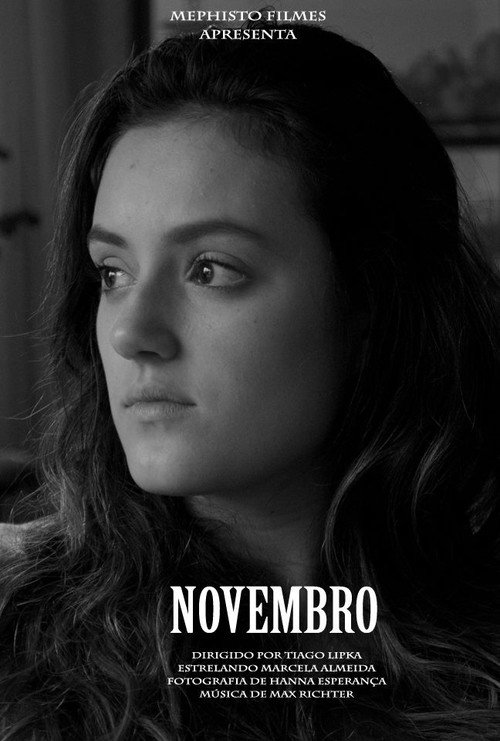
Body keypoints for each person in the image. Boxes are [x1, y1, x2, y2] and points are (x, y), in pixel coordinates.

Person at [0, 19, 499, 741]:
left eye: (210, 269)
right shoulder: (18, 629)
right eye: (112, 273)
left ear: (370, 299)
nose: (131, 333)